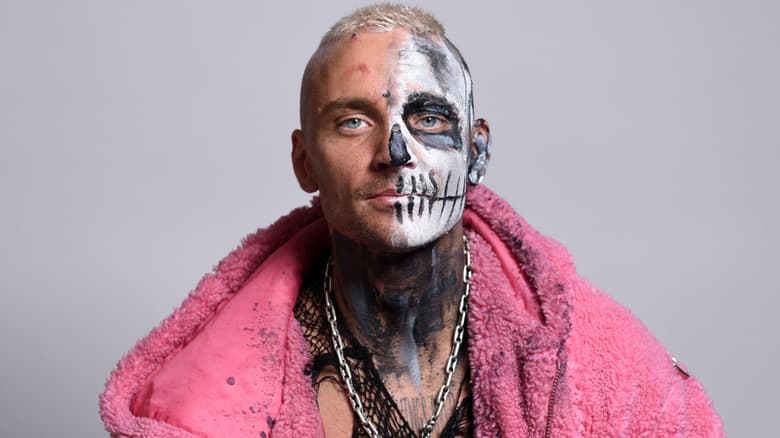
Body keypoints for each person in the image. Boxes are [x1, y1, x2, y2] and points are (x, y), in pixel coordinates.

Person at [99, 4, 723, 437]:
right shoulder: (205, 399)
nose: (395, 153)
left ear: (476, 151)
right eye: (353, 121)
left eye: (428, 119)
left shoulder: (599, 361)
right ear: (304, 162)